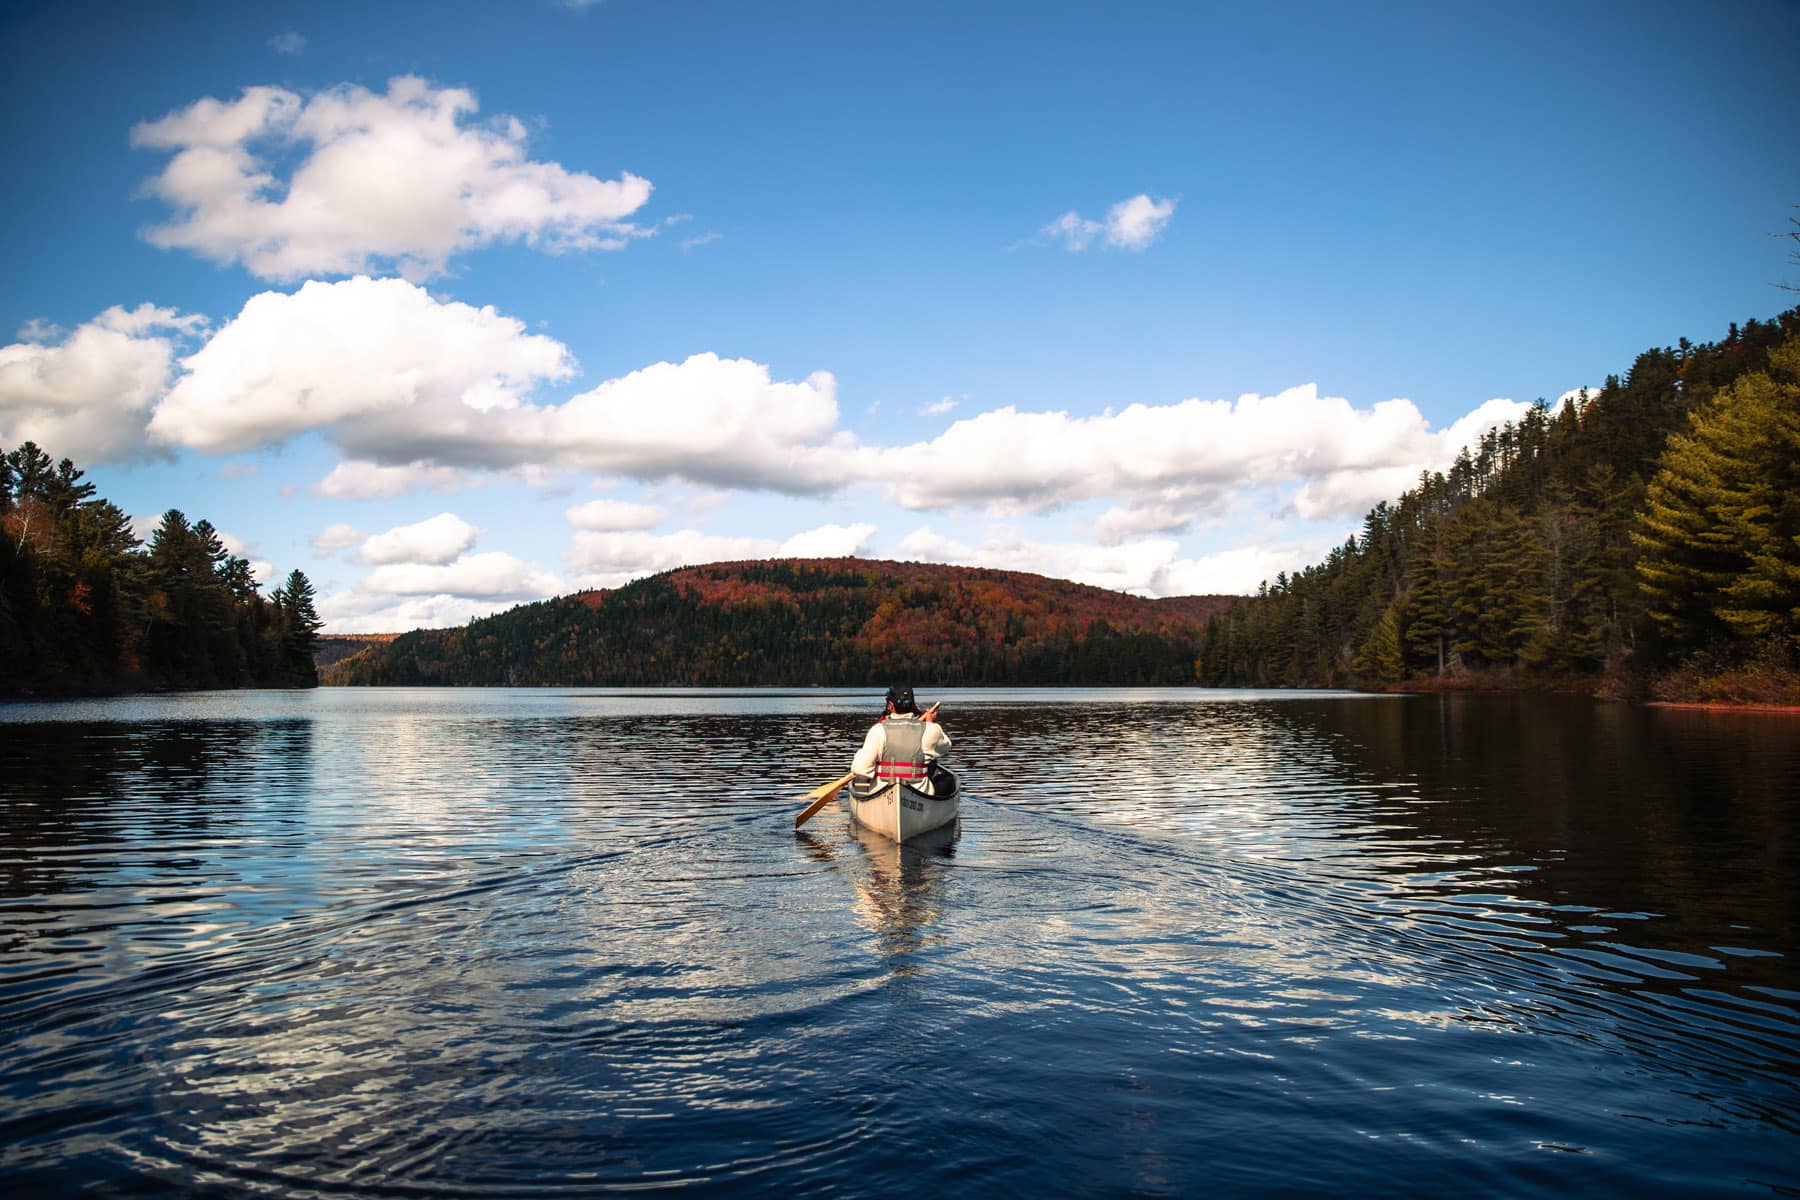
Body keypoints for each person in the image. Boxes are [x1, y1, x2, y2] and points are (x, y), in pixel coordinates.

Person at [852, 684, 951, 795]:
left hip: (882, 791)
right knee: (948, 780)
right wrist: (930, 723)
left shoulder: (877, 731)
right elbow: (946, 747)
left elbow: (861, 769)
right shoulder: (931, 729)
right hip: (920, 793)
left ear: (890, 705)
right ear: (913, 705)